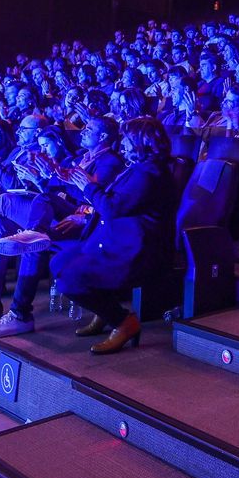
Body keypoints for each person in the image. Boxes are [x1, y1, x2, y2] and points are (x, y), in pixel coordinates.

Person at [53, 117, 179, 354]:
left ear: (141, 141)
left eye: (128, 139)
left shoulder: (149, 174)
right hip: (116, 241)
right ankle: (106, 312)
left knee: (69, 278)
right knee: (58, 261)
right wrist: (82, 184)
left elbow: (111, 208)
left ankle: (123, 322)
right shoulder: (140, 168)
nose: (123, 143)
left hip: (134, 250)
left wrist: (88, 186)